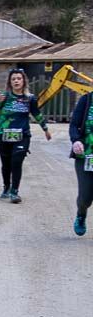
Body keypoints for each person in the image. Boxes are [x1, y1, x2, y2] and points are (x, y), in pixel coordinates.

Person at [0, 68, 51, 204]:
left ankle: (14, 192)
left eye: (19, 78)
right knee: (6, 164)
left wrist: (45, 129)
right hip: (3, 134)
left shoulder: (30, 98)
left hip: (22, 135)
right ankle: (6, 187)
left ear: (24, 81)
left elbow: (36, 113)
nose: (16, 81)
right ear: (10, 82)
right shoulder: (5, 96)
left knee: (16, 161)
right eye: (13, 79)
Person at [69, 90, 93, 235]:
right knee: (86, 197)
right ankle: (81, 214)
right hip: (86, 156)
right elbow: (73, 125)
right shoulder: (87, 100)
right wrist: (76, 140)